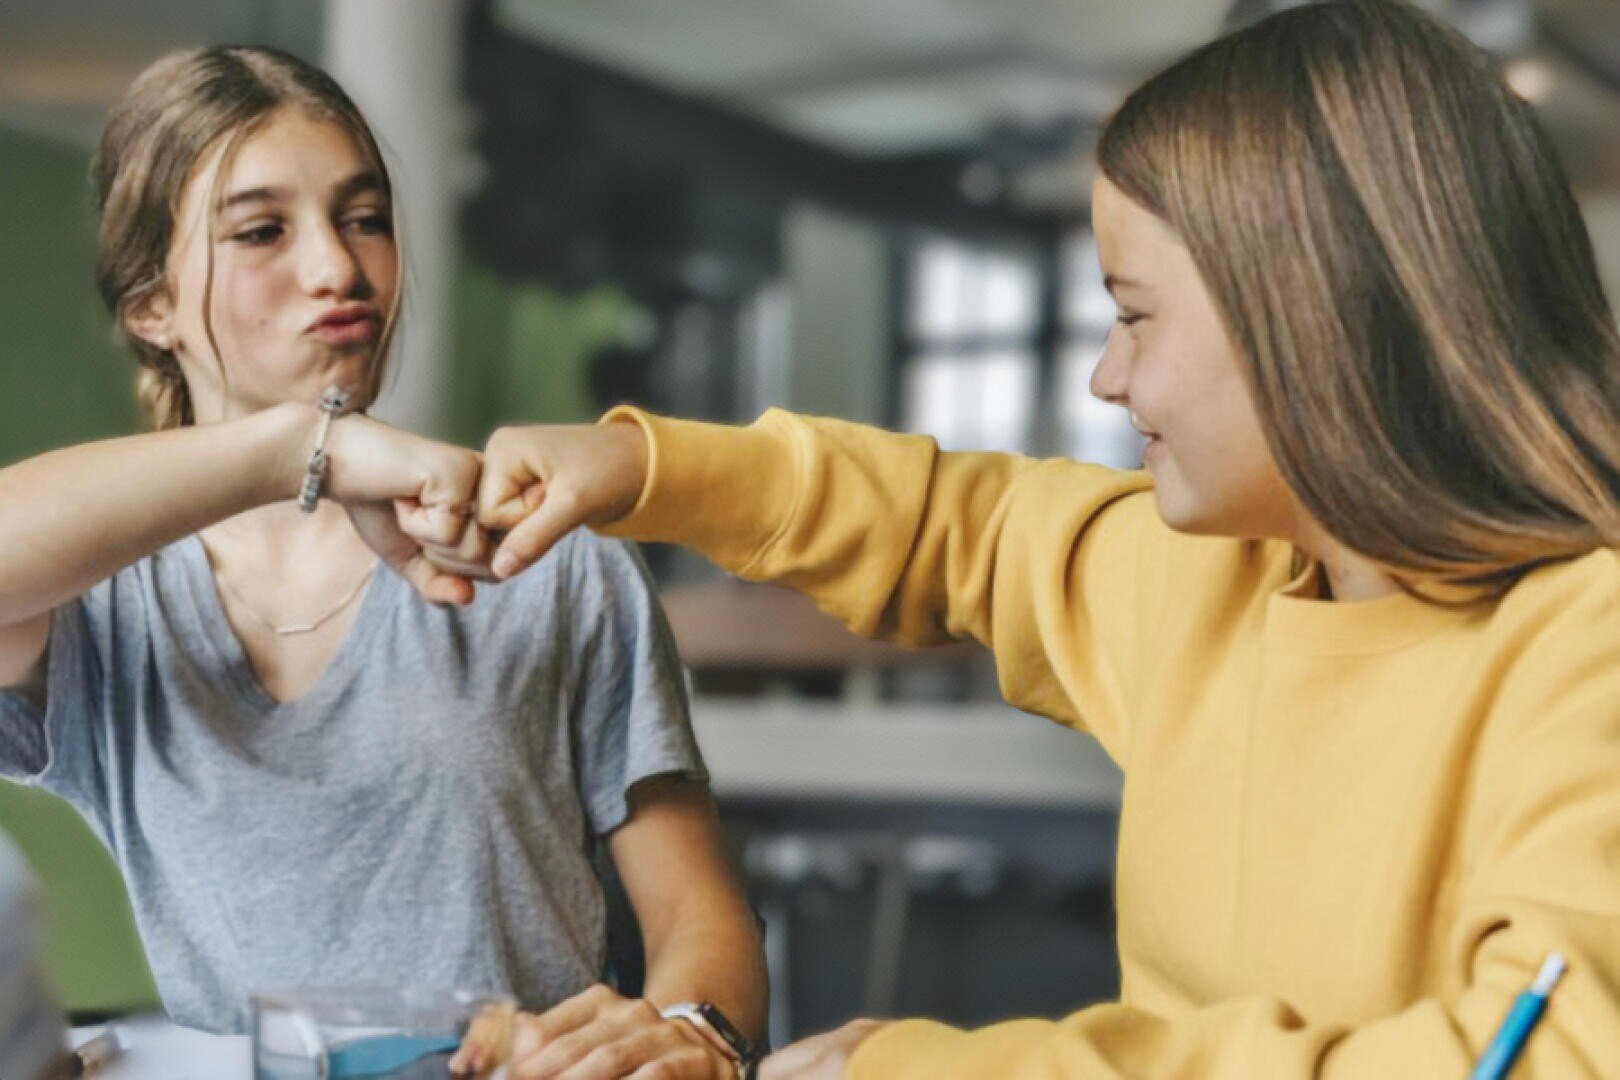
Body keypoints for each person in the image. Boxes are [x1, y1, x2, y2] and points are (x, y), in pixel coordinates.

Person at [471, 1, 1620, 1076]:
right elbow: (945, 523)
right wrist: (640, 468)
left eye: (1132, 314)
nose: (1106, 375)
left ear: (1302, 320)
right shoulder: (1207, 581)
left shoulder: (1587, 647)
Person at [0, 45, 765, 1075]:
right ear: (151, 307)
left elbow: (702, 921)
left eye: (363, 217)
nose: (340, 270)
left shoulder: (543, 554)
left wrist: (689, 1039)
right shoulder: (105, 600)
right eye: (263, 231)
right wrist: (295, 450)